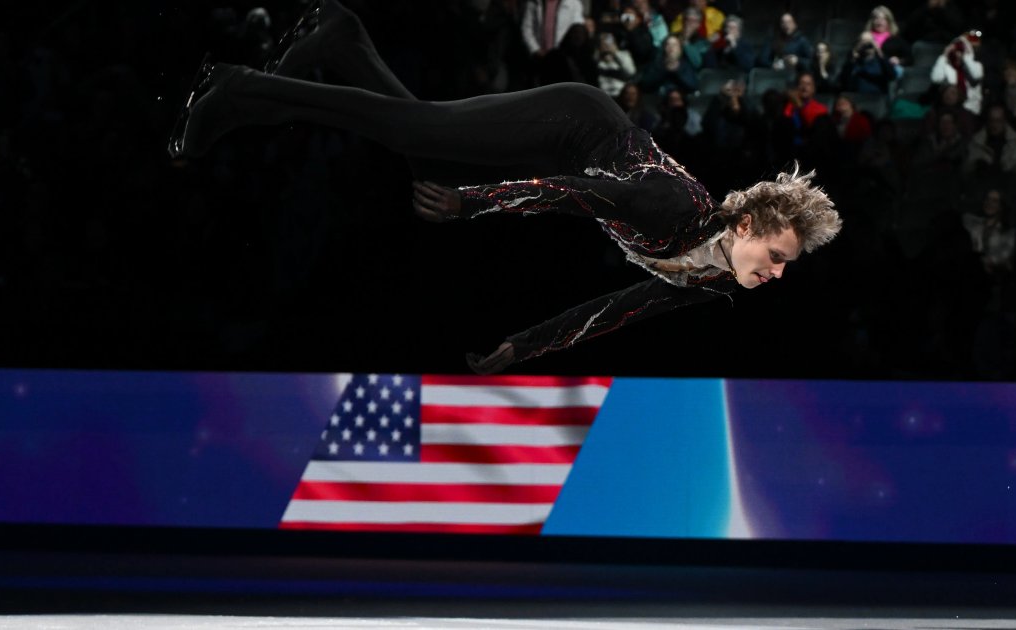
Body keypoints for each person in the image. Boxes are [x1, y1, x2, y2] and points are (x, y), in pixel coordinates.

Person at [168, 0, 841, 374]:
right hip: (573, 125)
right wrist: (472, 205)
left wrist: (526, 345)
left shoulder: (717, 280)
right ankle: (237, 88)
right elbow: (568, 193)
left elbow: (619, 307)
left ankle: (340, 37)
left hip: (574, 149)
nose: (780, 274)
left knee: (420, 140)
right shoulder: (674, 210)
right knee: (420, 134)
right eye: (779, 257)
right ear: (747, 226)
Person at [930, 31, 983, 115]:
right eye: (956, 51)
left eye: (961, 52)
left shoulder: (976, 65)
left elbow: (976, 75)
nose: (958, 55)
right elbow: (936, 79)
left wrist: (967, 56)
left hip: (971, 110)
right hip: (950, 110)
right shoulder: (947, 67)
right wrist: (944, 55)